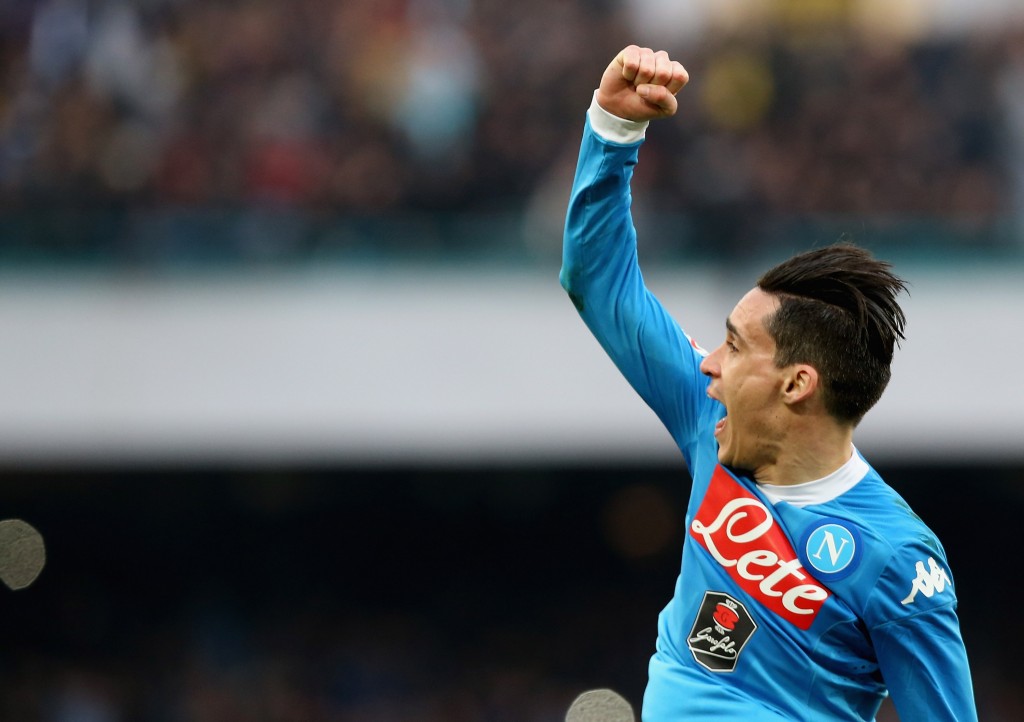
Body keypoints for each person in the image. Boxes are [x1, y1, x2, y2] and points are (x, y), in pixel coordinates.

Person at [560, 45, 977, 721]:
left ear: (796, 384)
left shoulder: (898, 563)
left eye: (733, 345)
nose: (708, 364)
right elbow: (599, 282)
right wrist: (613, 128)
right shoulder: (711, 420)